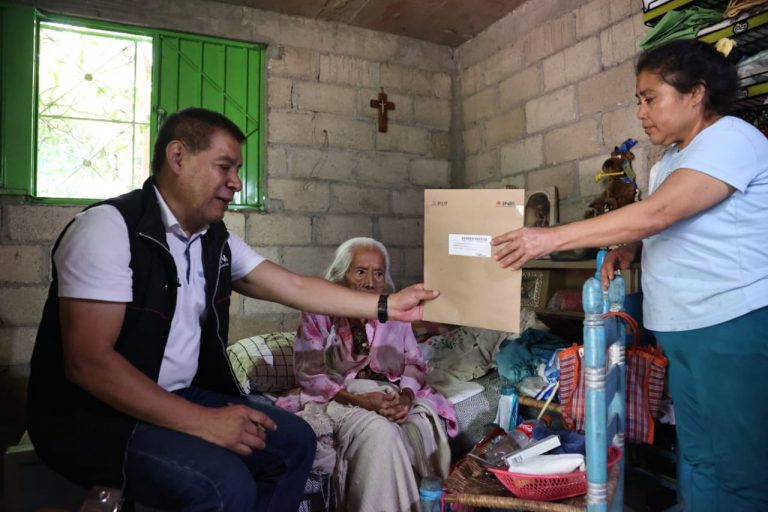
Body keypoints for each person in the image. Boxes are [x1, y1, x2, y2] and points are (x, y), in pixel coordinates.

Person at [27, 108, 438, 512]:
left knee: (294, 443)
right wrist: (201, 421)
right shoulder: (108, 228)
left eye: (237, 170)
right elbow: (88, 362)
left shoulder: (212, 239)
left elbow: (294, 286)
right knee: (225, 484)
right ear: (177, 157)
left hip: (174, 394)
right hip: (94, 416)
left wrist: (387, 305)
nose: (236, 183)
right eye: (225, 167)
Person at [491, 39, 768, 511]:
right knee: (698, 454)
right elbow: (673, 220)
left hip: (730, 323)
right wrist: (629, 247)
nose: (641, 111)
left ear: (696, 93)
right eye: (638, 99)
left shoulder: (732, 138)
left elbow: (659, 213)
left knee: (740, 462)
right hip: (684, 327)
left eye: (650, 97)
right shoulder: (669, 162)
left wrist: (550, 238)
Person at [276, 237, 458, 512]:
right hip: (339, 398)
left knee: (415, 427)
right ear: (341, 275)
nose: (370, 282)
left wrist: (407, 399)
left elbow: (415, 364)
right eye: (360, 271)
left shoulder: (396, 312)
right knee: (381, 433)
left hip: (390, 395)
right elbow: (310, 375)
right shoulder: (320, 310)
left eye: (378, 273)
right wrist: (363, 402)